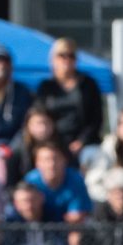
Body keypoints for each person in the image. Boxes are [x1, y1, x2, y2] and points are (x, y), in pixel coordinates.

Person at [34, 37, 104, 168]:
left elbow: (97, 118)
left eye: (71, 55)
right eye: (62, 55)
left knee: (94, 160)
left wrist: (81, 142)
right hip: (53, 142)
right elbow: (39, 116)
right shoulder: (46, 87)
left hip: (85, 143)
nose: (66, 59)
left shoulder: (88, 84)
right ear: (53, 59)